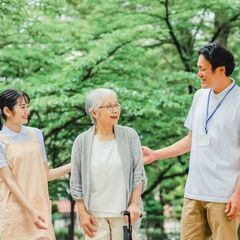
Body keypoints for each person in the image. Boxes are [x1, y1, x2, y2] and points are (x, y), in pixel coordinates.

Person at [143, 43, 240, 240]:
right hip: (194, 193)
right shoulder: (199, 96)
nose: (199, 74)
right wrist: (155, 154)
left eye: (202, 69)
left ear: (220, 69)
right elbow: (190, 141)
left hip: (224, 197)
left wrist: (238, 194)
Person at [70, 88, 146, 240]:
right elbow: (76, 179)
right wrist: (82, 212)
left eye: (116, 105)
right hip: (94, 217)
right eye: (109, 106)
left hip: (125, 215)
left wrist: (134, 204)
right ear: (94, 113)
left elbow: (139, 173)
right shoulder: (81, 141)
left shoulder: (130, 136)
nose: (115, 110)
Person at [0, 89, 71, 240]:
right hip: (13, 212)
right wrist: (31, 211)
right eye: (23, 107)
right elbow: (9, 180)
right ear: (7, 110)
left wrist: (76, 164)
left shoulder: (36, 134)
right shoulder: (1, 140)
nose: (27, 111)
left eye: (27, 106)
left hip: (40, 209)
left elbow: (46, 174)